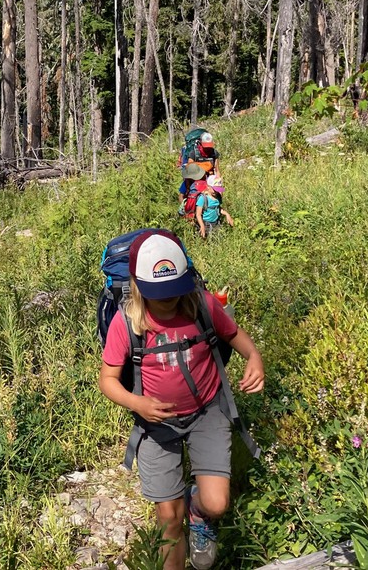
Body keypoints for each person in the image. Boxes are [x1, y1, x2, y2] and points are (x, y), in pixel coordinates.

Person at [98, 230, 264, 570]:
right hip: (155, 425)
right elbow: (107, 380)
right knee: (169, 519)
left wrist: (254, 357)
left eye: (175, 291)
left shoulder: (201, 304)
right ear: (138, 286)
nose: (170, 300)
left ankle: (198, 511)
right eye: (160, 296)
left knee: (216, 504)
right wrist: (137, 404)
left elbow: (233, 334)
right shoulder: (126, 322)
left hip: (207, 412)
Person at [196, 174, 234, 239]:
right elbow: (198, 214)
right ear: (208, 187)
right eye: (214, 189)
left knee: (217, 239)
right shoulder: (203, 198)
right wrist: (202, 226)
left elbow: (218, 208)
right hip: (206, 223)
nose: (216, 192)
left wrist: (227, 214)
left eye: (217, 190)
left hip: (216, 222)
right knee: (206, 240)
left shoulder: (218, 197)